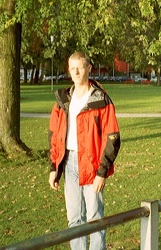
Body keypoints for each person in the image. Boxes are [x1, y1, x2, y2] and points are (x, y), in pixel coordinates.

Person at [48, 51, 121, 250]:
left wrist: (102, 172)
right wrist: (54, 167)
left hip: (92, 164)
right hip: (70, 163)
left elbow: (112, 138)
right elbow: (55, 136)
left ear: (89, 68)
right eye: (72, 68)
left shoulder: (101, 100)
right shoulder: (63, 100)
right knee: (74, 219)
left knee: (95, 218)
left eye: (80, 67)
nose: (76, 72)